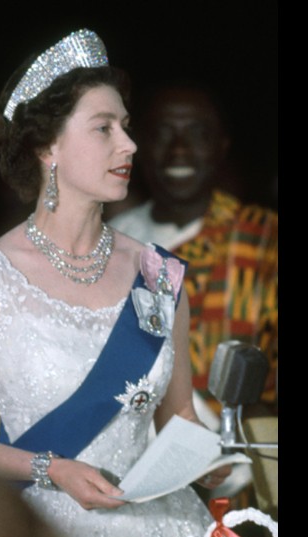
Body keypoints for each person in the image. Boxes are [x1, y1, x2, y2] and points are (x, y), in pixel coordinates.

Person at [0, 29, 235, 537]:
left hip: (165, 528)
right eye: (103, 128)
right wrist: (53, 470)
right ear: (48, 146)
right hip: (43, 529)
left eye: (127, 126)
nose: (130, 144)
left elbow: (177, 417)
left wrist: (208, 460)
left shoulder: (158, 272)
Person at [108, 81, 279, 420]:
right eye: (162, 134)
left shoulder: (264, 238)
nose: (179, 150)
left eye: (198, 134)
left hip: (240, 455)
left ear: (221, 146)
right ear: (139, 146)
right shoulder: (112, 239)